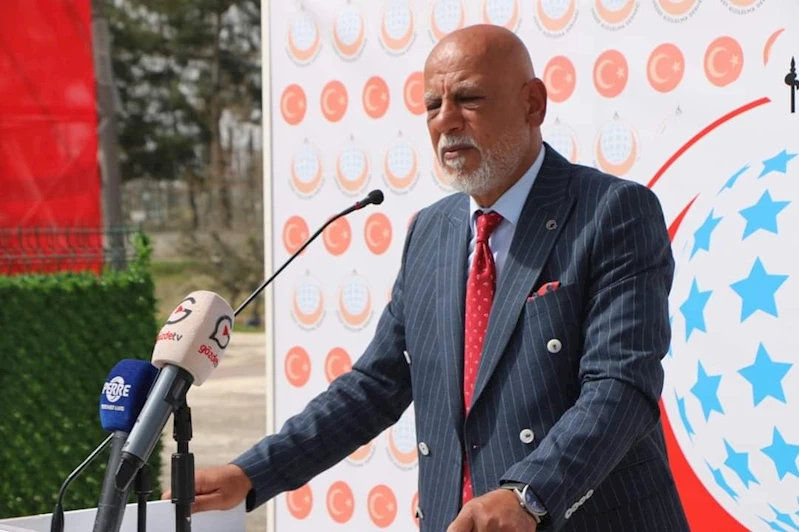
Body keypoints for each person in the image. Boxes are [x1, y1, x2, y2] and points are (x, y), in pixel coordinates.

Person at [163, 24, 690, 531]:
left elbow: (620, 386)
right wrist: (253, 474)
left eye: (469, 99)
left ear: (533, 104)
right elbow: (375, 386)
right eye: (432, 105)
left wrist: (529, 494)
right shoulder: (431, 231)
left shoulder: (611, 212)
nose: (446, 121)